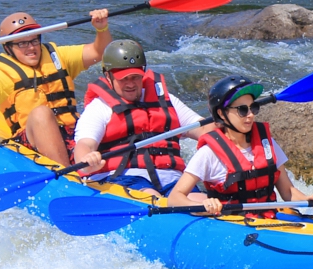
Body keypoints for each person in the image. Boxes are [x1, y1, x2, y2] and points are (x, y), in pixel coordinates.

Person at [0, 9, 111, 166]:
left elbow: (99, 51)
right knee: (41, 113)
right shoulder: (1, 75)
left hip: (72, 130)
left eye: (34, 40)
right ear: (8, 47)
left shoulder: (58, 57)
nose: (31, 48)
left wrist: (101, 28)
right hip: (31, 140)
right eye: (21, 43)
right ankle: (66, 175)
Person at [167, 75, 313, 216]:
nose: (250, 115)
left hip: (268, 220)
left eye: (253, 108)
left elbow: (288, 192)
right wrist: (201, 206)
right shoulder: (209, 153)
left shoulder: (267, 144)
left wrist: (308, 199)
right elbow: (174, 198)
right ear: (221, 113)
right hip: (231, 224)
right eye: (242, 110)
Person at [74, 40, 215, 196]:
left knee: (201, 201)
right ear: (108, 76)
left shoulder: (166, 100)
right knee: (151, 196)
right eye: (123, 79)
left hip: (170, 178)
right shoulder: (99, 107)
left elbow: (203, 128)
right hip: (123, 177)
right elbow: (85, 144)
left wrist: (233, 128)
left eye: (135, 77)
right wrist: (87, 160)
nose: (130, 84)